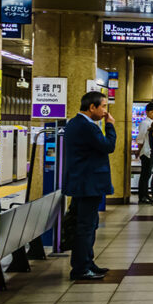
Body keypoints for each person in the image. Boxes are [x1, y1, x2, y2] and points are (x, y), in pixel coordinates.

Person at [62, 91, 117, 280]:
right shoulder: (87, 127)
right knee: (86, 226)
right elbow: (108, 146)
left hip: (83, 182)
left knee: (88, 224)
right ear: (91, 107)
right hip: (88, 183)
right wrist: (110, 127)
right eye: (103, 107)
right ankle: (81, 268)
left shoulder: (74, 124)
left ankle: (87, 261)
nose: (105, 111)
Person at [136, 102, 153, 205]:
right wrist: (139, 151)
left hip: (149, 152)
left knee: (148, 174)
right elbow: (140, 139)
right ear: (147, 112)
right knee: (145, 175)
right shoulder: (145, 123)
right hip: (145, 152)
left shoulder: (151, 122)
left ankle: (145, 193)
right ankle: (142, 196)